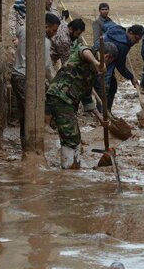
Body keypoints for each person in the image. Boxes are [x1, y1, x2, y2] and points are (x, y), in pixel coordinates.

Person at [46, 42, 118, 169]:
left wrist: (100, 117)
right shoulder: (86, 54)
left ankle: (74, 165)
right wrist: (96, 63)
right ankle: (69, 169)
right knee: (71, 135)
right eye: (109, 62)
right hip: (60, 95)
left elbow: (86, 96)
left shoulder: (93, 73)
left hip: (69, 100)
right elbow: (82, 49)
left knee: (74, 135)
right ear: (107, 57)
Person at [11, 13, 60, 148]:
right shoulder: (44, 42)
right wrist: (55, 83)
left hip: (16, 76)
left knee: (24, 114)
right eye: (53, 30)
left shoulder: (22, 30)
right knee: (31, 114)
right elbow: (46, 66)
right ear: (45, 26)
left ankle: (25, 146)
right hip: (25, 78)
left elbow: (18, 32)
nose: (54, 33)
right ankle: (31, 149)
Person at [95, 23, 144, 111]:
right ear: (130, 33)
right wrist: (131, 77)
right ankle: (102, 113)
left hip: (97, 51)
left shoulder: (116, 29)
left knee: (112, 86)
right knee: (104, 87)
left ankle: (107, 110)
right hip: (102, 61)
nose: (137, 42)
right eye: (136, 38)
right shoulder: (123, 45)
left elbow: (105, 25)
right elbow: (120, 67)